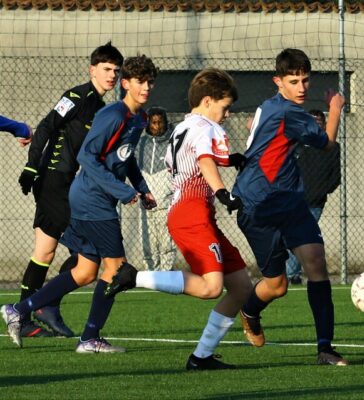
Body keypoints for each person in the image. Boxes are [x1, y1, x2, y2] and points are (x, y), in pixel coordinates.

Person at [1, 55, 158, 352]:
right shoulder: (109, 112)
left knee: (85, 270)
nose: (146, 87)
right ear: (126, 84)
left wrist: (141, 187)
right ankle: (89, 337)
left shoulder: (136, 119)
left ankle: (20, 311)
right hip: (89, 197)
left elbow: (126, 157)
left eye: (151, 82)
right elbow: (86, 156)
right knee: (116, 269)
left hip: (93, 197)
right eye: (140, 81)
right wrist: (121, 191)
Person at [105, 68, 252, 370]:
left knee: (240, 287)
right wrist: (222, 191)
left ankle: (201, 357)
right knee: (211, 288)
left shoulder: (186, 126)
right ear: (208, 101)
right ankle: (133, 276)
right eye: (225, 108)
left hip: (196, 214)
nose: (226, 115)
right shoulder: (204, 127)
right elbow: (204, 160)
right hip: (191, 212)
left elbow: (199, 158)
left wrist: (233, 159)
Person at [232, 48, 348, 366]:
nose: (301, 87)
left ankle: (325, 348)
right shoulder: (287, 112)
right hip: (258, 206)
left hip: (290, 201)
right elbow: (326, 143)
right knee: (277, 285)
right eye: (293, 81)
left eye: (305, 80)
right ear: (278, 81)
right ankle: (250, 310)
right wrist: (336, 107)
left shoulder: (273, 106)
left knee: (315, 262)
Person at [15, 42, 123, 338]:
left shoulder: (103, 109)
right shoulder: (77, 95)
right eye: (106, 69)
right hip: (52, 180)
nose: (112, 75)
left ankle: (24, 315)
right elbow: (47, 126)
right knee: (87, 249)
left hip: (69, 183)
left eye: (116, 70)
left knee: (45, 251)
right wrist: (32, 166)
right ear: (92, 70)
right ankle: (45, 305)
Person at [286, 109, 340, 285]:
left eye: (319, 121)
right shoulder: (297, 144)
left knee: (301, 236)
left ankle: (292, 274)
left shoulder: (331, 147)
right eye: (312, 120)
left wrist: (322, 190)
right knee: (292, 235)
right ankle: (290, 273)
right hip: (294, 199)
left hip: (315, 201)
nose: (316, 123)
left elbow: (335, 175)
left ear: (325, 124)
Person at [138, 106, 176, 271]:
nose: (157, 126)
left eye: (161, 122)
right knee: (147, 238)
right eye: (154, 123)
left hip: (165, 197)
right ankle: (150, 270)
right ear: (148, 124)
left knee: (166, 236)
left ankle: (166, 271)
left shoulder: (172, 142)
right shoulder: (142, 143)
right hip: (146, 197)